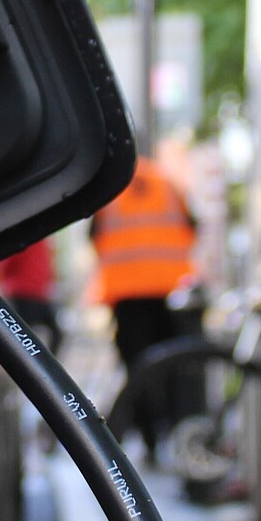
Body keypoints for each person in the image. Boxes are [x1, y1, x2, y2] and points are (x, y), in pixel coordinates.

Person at [90, 155, 197, 461]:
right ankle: (175, 434)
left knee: (139, 368)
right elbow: (192, 227)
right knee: (172, 366)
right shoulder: (167, 183)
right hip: (169, 290)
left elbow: (95, 237)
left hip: (127, 293)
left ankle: (151, 438)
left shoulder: (112, 187)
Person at [0, 237, 60, 356]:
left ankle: (41, 364)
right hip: (22, 294)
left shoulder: (39, 239)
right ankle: (24, 364)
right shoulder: (22, 239)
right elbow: (5, 264)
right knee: (23, 336)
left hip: (38, 293)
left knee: (52, 333)